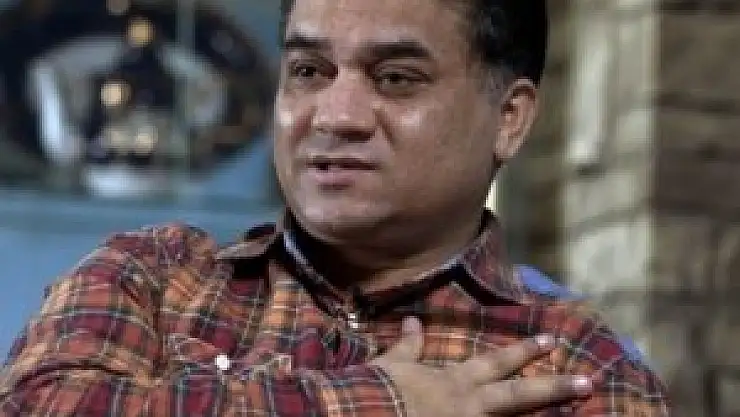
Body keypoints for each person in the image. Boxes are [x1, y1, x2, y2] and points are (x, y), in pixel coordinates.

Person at [0, 0, 670, 415]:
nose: (335, 116)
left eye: (396, 78)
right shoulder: (152, 276)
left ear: (510, 118)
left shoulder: (574, 367)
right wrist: (381, 405)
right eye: (310, 72)